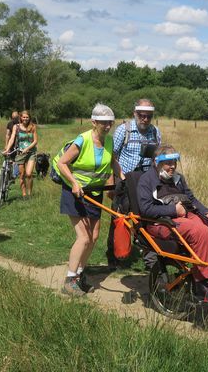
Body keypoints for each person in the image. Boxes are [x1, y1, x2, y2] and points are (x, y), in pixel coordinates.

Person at [137, 145, 208, 301]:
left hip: (185, 216)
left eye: (174, 162)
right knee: (200, 231)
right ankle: (202, 284)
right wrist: (173, 210)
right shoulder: (146, 180)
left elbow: (191, 200)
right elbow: (145, 209)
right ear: (156, 162)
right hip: (160, 223)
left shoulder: (178, 179)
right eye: (168, 163)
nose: (172, 167)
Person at [55, 103, 124, 297]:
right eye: (104, 123)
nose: (108, 126)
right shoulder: (82, 140)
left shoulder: (109, 141)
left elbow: (112, 163)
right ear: (93, 122)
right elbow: (62, 163)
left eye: (110, 122)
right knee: (83, 238)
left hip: (94, 193)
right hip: (74, 193)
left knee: (93, 238)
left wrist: (123, 178)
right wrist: (74, 183)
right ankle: (69, 281)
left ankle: (79, 274)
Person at [106, 98, 162, 268]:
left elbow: (157, 157)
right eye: (142, 115)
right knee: (118, 217)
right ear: (135, 114)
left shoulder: (155, 132)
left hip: (146, 181)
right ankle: (114, 256)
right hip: (124, 180)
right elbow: (111, 156)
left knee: (147, 218)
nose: (145, 119)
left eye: (148, 116)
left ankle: (150, 259)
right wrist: (111, 181)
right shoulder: (124, 130)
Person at [5, 110, 38, 199]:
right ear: (21, 118)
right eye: (24, 117)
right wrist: (7, 149)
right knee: (22, 174)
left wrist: (27, 149)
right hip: (19, 152)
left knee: (29, 173)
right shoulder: (16, 127)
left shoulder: (33, 127)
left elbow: (35, 141)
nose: (25, 119)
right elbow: (12, 139)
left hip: (31, 152)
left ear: (29, 118)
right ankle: (24, 194)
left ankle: (30, 193)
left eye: (27, 117)